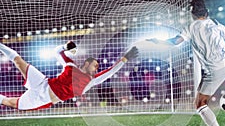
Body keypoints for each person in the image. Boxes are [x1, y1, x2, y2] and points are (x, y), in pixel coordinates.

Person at [0, 41, 138, 110]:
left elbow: (111, 71)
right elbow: (56, 51)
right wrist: (66, 47)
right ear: (87, 63)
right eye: (95, 65)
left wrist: (125, 59)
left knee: (8, 102)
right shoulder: (70, 65)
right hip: (43, 83)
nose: (97, 68)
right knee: (19, 61)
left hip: (42, 99)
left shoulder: (92, 80)